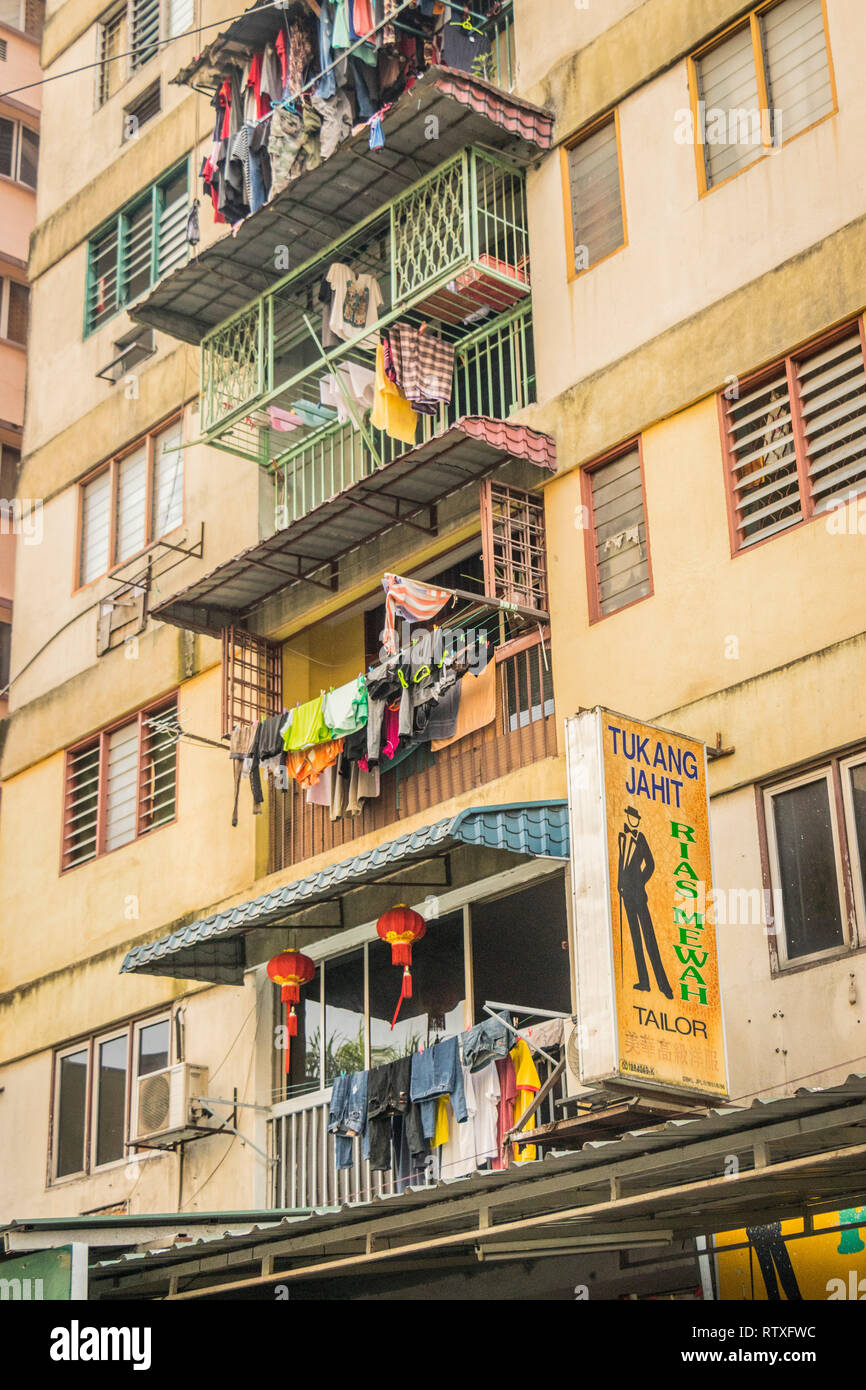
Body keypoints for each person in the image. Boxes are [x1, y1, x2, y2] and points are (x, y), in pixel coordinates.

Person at [617, 805, 673, 998]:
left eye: (635, 818)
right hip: (626, 895)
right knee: (635, 938)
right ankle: (644, 981)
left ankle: (664, 984)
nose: (632, 820)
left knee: (649, 937)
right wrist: (619, 885)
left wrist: (639, 881)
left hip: (639, 894)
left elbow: (651, 864)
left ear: (638, 821)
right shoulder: (622, 837)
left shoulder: (640, 839)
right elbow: (621, 863)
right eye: (630, 817)